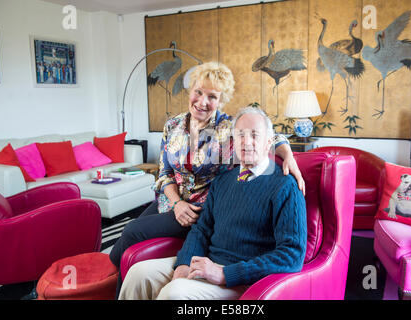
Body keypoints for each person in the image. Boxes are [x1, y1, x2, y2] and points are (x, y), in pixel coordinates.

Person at [109, 61, 305, 298]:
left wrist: (288, 154)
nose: (202, 101)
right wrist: (183, 261)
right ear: (190, 91)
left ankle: (108, 274)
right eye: (198, 92)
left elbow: (260, 130)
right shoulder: (174, 126)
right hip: (174, 201)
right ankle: (109, 276)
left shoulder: (228, 129)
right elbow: (165, 173)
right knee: (137, 267)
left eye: (212, 96)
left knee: (132, 231)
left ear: (220, 101)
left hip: (198, 208)